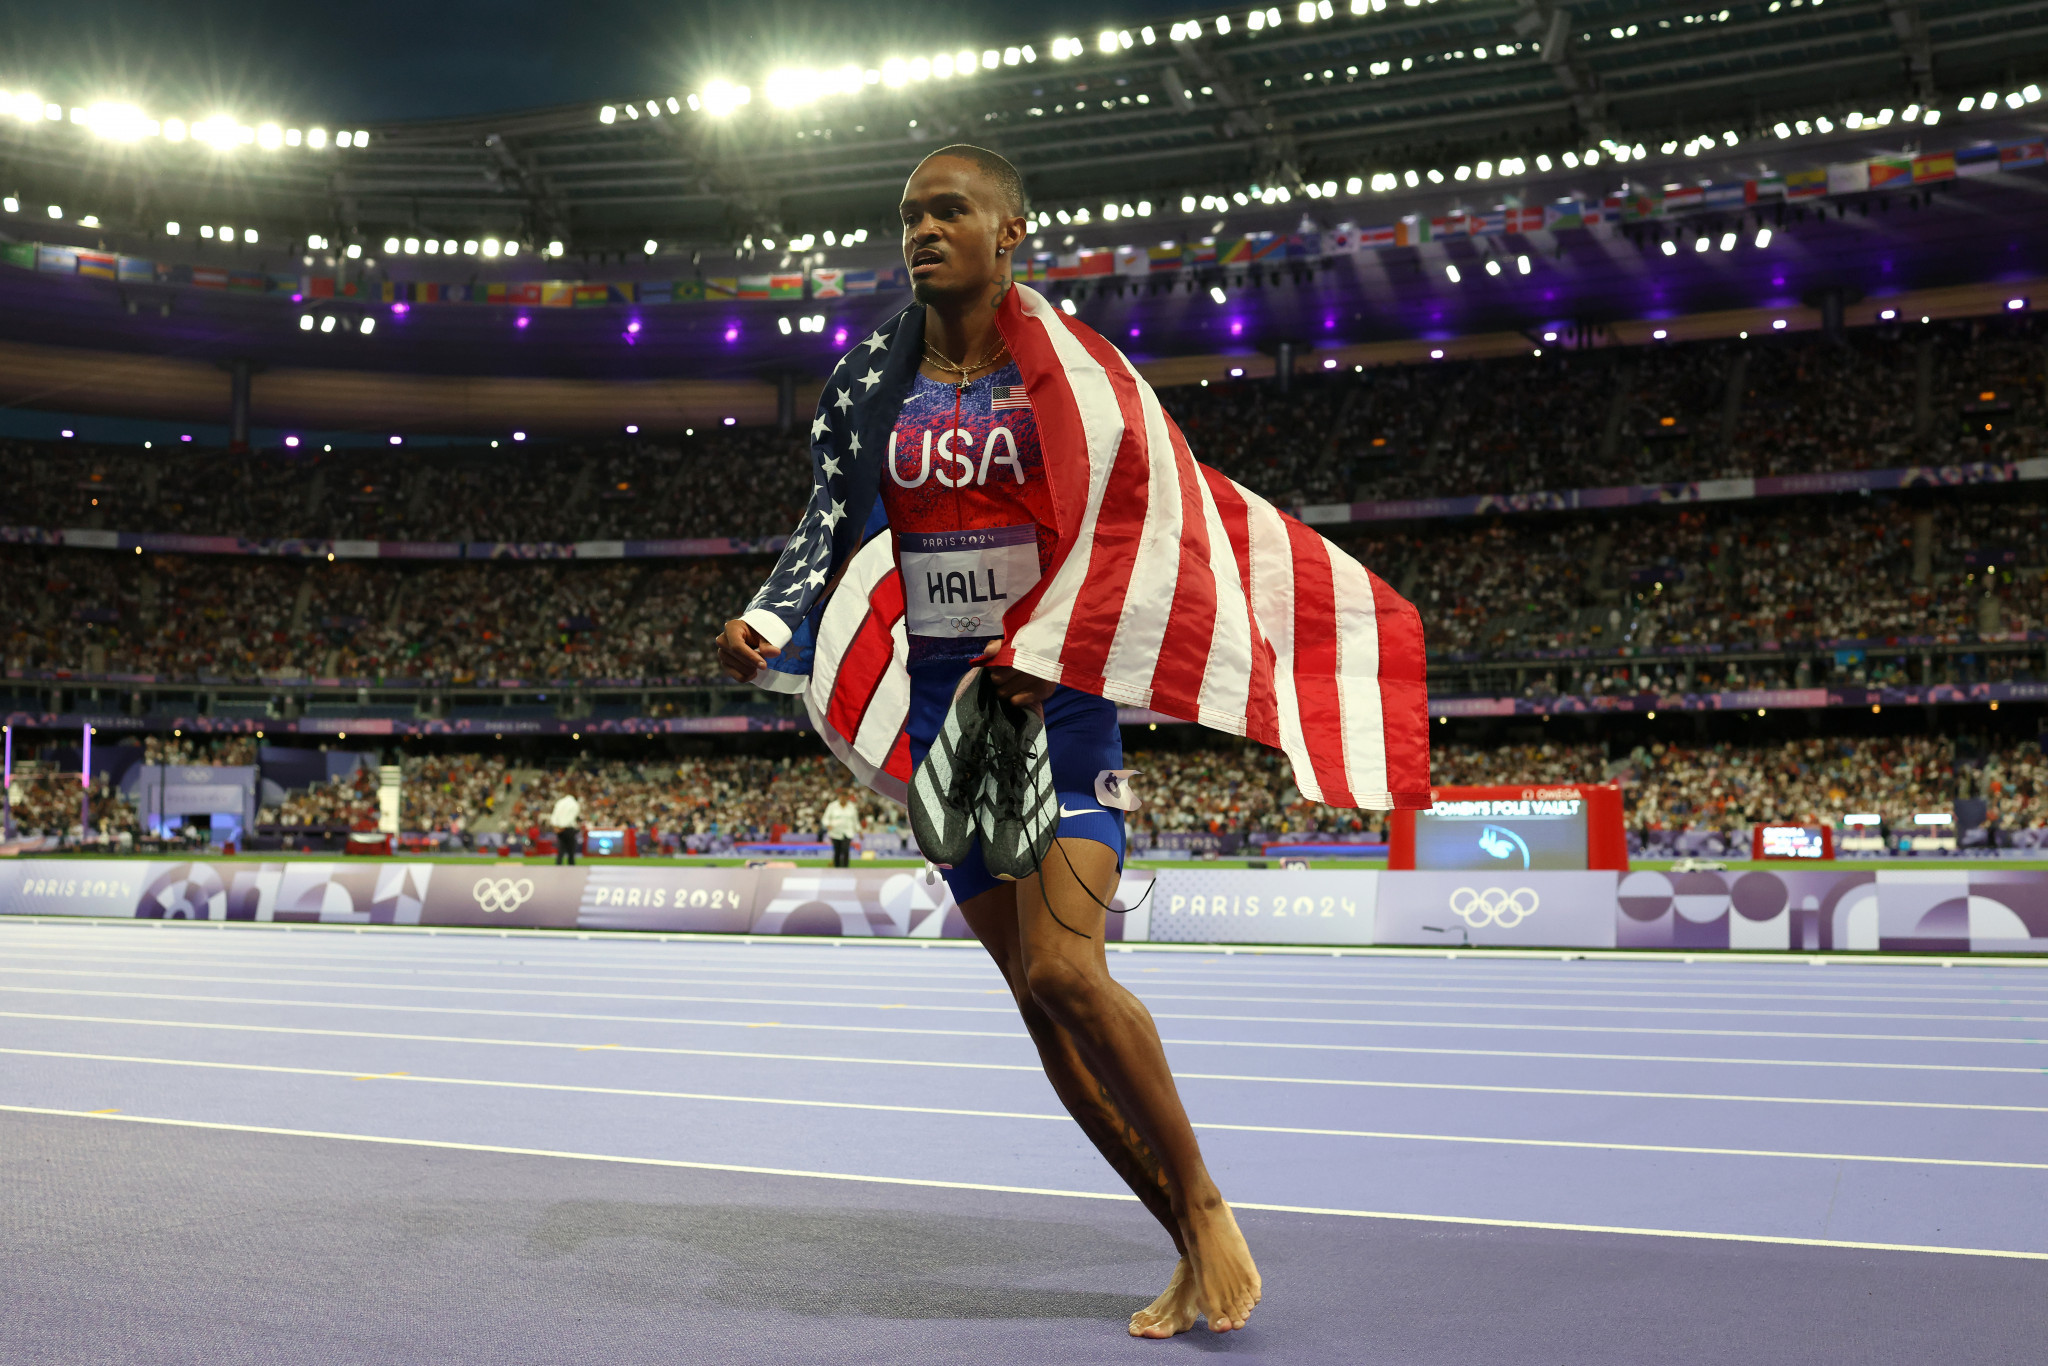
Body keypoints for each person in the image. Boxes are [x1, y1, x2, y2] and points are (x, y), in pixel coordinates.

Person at [716, 144, 1427, 1338]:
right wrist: (771, 617)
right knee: (1035, 1005)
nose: (922, 231)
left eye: (949, 212)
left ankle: (1205, 1205)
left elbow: (1135, 521)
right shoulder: (865, 383)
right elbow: (829, 519)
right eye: (908, 216)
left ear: (1011, 234)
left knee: (1064, 969)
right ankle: (1179, 1242)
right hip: (944, 708)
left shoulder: (1082, 378)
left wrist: (1056, 646)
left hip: (1053, 698)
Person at [821, 787, 861, 867]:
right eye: (841, 796)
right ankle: (837, 868)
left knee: (846, 850)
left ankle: (845, 867)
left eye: (844, 797)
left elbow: (855, 820)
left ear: (847, 798)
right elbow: (825, 818)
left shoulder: (852, 807)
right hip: (835, 832)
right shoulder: (832, 806)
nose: (843, 798)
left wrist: (859, 830)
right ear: (839, 797)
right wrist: (828, 824)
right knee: (837, 851)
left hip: (848, 832)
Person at [549, 788, 580, 866]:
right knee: (571, 850)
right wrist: (563, 827)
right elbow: (571, 818)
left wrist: (556, 827)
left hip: (559, 828)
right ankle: (571, 866)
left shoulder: (560, 802)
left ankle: (558, 866)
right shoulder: (574, 804)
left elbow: (554, 815)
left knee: (561, 849)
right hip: (568, 828)